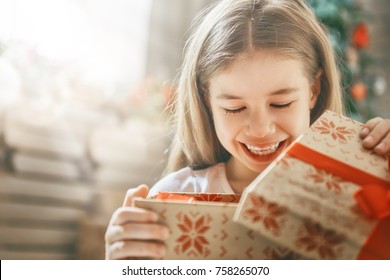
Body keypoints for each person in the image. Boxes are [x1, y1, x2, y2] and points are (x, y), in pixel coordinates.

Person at [105, 0, 390, 260]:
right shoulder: (175, 196)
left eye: (281, 103)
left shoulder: (359, 193)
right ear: (208, 101)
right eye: (235, 108)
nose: (261, 129)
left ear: (313, 90)